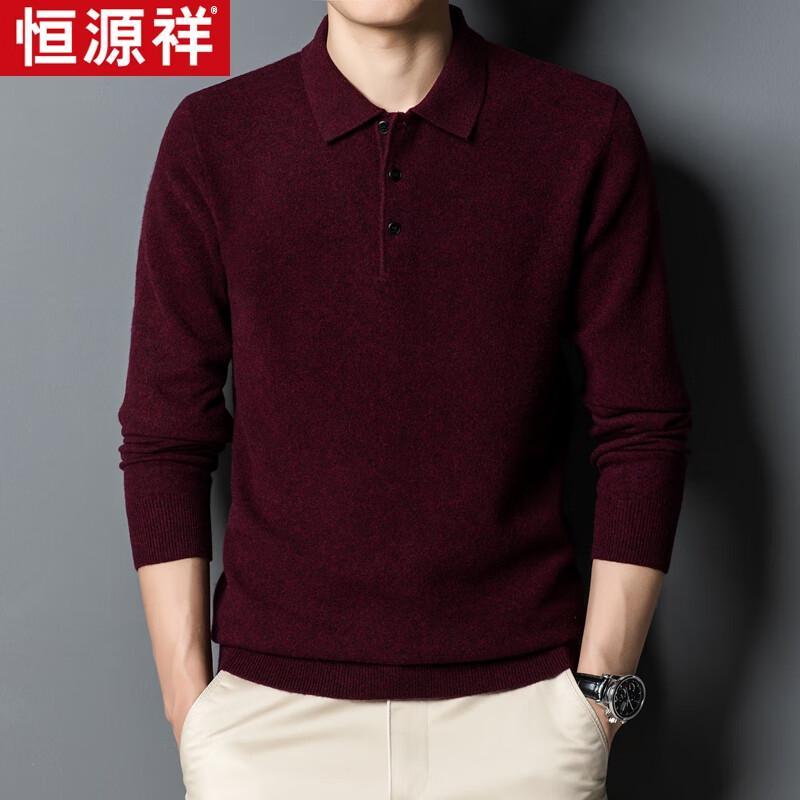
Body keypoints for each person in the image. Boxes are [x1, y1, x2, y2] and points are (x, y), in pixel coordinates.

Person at [116, 2, 692, 798]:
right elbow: (164, 434)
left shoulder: (583, 129)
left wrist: (595, 701)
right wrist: (192, 709)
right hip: (270, 725)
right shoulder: (214, 137)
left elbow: (644, 429)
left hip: (522, 719)